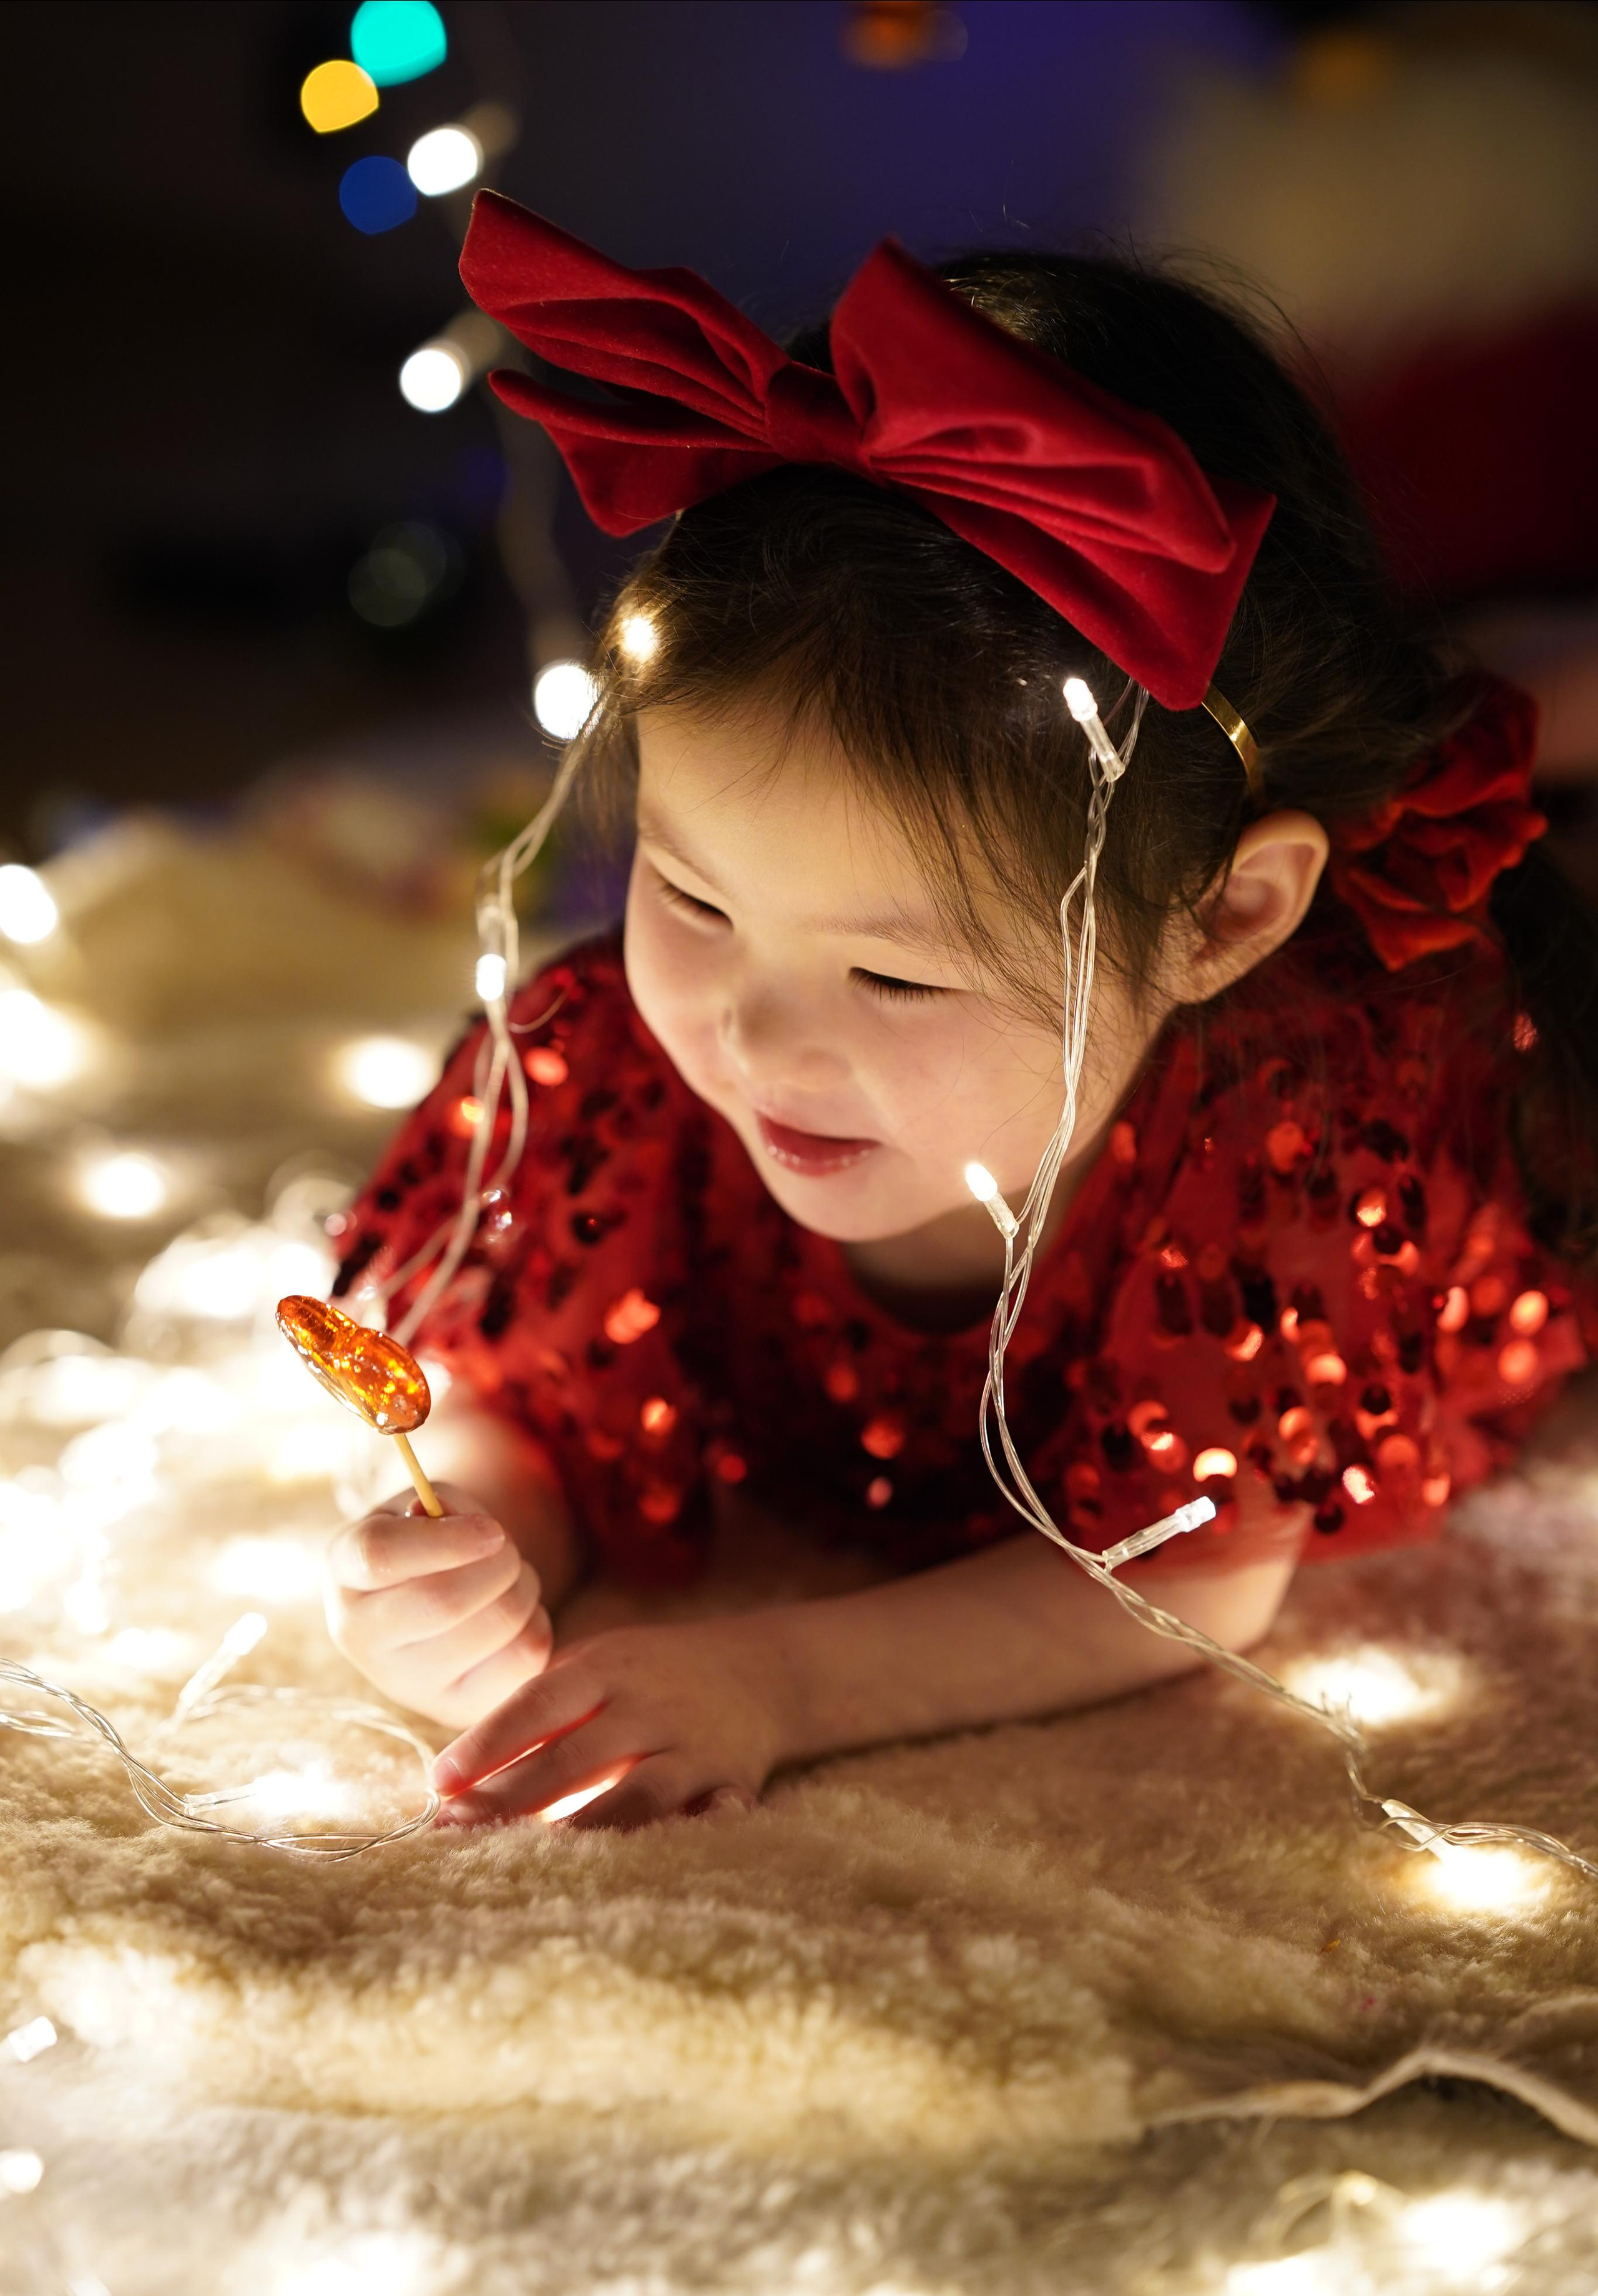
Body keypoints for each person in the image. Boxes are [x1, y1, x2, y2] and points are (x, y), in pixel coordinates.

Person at [323, 197, 1595, 1832]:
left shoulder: (1291, 1138)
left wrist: (776, 1680)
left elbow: (1191, 1573)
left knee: (1515, 761)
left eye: (898, 975)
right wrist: (471, 1540)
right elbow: (518, 1377)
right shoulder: (619, 1078)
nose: (757, 1040)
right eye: (695, 898)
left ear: (1220, 921)